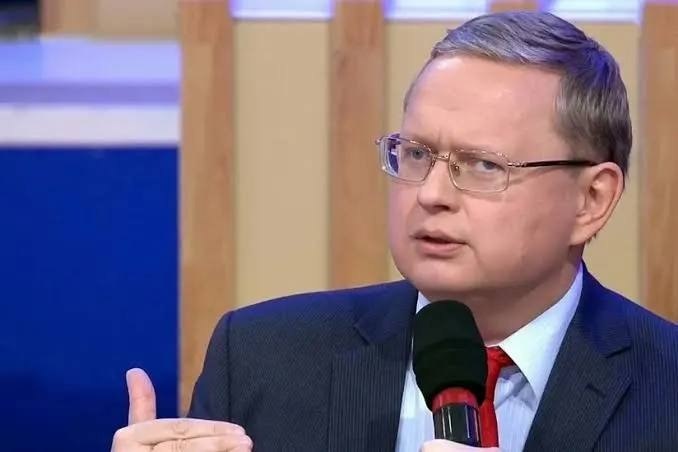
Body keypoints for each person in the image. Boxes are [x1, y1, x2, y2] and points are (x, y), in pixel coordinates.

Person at [112, 11, 677, 452]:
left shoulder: (666, 389)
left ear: (591, 200)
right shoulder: (264, 361)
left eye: (483, 165)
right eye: (417, 154)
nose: (431, 194)